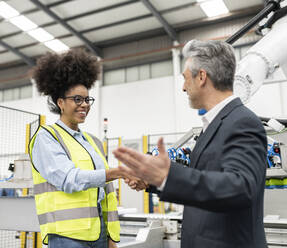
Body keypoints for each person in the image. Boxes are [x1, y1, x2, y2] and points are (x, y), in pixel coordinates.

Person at [114, 40, 268, 248]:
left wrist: (167, 177)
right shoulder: (215, 124)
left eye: (186, 78)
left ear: (202, 77)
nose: (183, 87)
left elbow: (240, 187)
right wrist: (153, 181)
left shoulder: (242, 122)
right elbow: (205, 177)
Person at [29, 49, 140, 248]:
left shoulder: (94, 142)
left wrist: (110, 236)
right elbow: (69, 179)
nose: (85, 105)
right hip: (67, 237)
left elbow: (105, 189)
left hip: (99, 232)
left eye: (87, 99)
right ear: (60, 103)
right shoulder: (47, 137)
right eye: (77, 99)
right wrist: (119, 172)